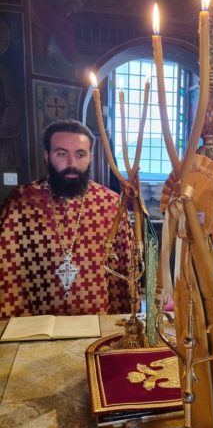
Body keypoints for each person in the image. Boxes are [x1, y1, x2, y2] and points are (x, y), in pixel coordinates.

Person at [0, 119, 135, 317]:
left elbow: (124, 270)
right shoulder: (21, 202)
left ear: (90, 157)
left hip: (96, 320)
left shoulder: (111, 204)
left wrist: (118, 323)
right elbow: (7, 270)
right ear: (47, 156)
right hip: (36, 321)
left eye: (80, 154)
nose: (72, 164)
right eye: (62, 154)